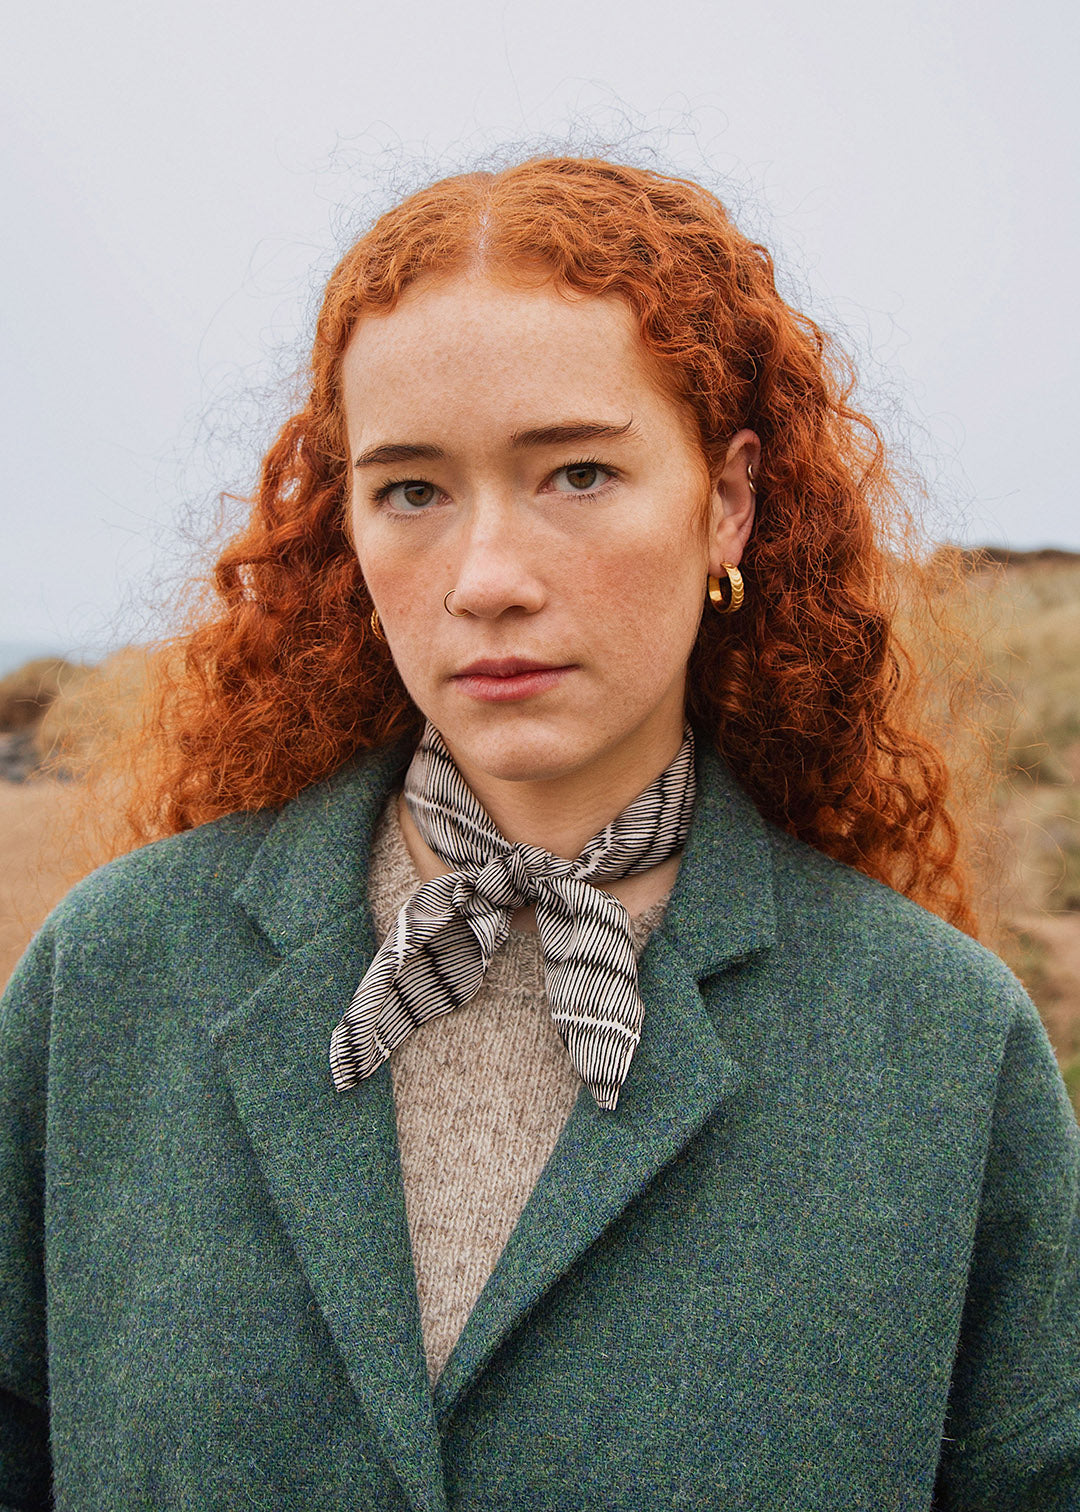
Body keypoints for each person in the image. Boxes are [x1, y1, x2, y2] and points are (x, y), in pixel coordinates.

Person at [1, 156, 1078, 1512]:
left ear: (727, 502)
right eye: (411, 491)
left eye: (576, 472)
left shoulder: (936, 1042)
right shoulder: (111, 980)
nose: (488, 580)